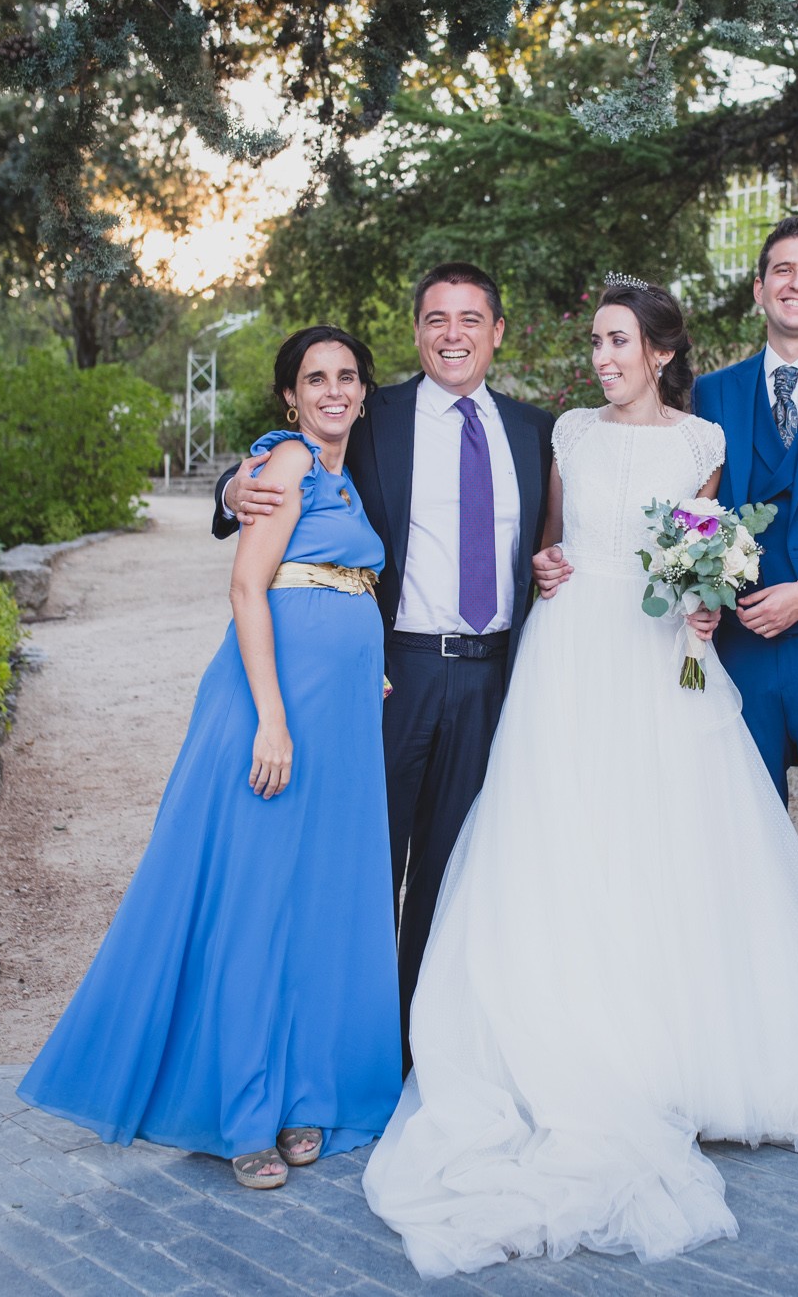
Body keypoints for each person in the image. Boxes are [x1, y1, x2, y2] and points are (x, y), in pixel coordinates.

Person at [362, 280, 798, 1279]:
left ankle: (669, 1055)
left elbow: (706, 549)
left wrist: (706, 600)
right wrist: (544, 566)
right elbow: (545, 543)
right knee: (559, 842)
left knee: (666, 852)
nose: (600, 356)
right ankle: (551, 1036)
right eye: (594, 341)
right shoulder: (569, 435)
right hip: (570, 655)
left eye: (617, 341)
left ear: (660, 352)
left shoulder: (700, 444)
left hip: (659, 654)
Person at [19, 326, 402, 1190]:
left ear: (363, 392)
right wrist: (273, 715)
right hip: (276, 712)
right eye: (316, 378)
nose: (334, 390)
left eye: (347, 376)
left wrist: (361, 666)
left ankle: (303, 1093)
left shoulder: (338, 473)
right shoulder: (291, 462)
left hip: (337, 712)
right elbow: (247, 587)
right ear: (290, 397)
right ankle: (244, 1113)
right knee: (256, 903)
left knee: (311, 902)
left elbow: (336, 581)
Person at [534, 217, 798, 987]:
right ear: (759, 289)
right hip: (734, 654)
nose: (796, 282)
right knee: (734, 852)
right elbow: (677, 510)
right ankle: (752, 1014)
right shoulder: (713, 398)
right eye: (780, 270)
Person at [217, 265, 555, 1067]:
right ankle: (341, 1045)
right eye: (436, 318)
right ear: (416, 332)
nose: (453, 334)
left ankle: (413, 1050)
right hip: (388, 672)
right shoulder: (372, 416)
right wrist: (233, 491)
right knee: (364, 864)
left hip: (490, 673)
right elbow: (288, 472)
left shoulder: (536, 430)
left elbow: (554, 541)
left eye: (471, 319)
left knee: (448, 870)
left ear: (497, 332)